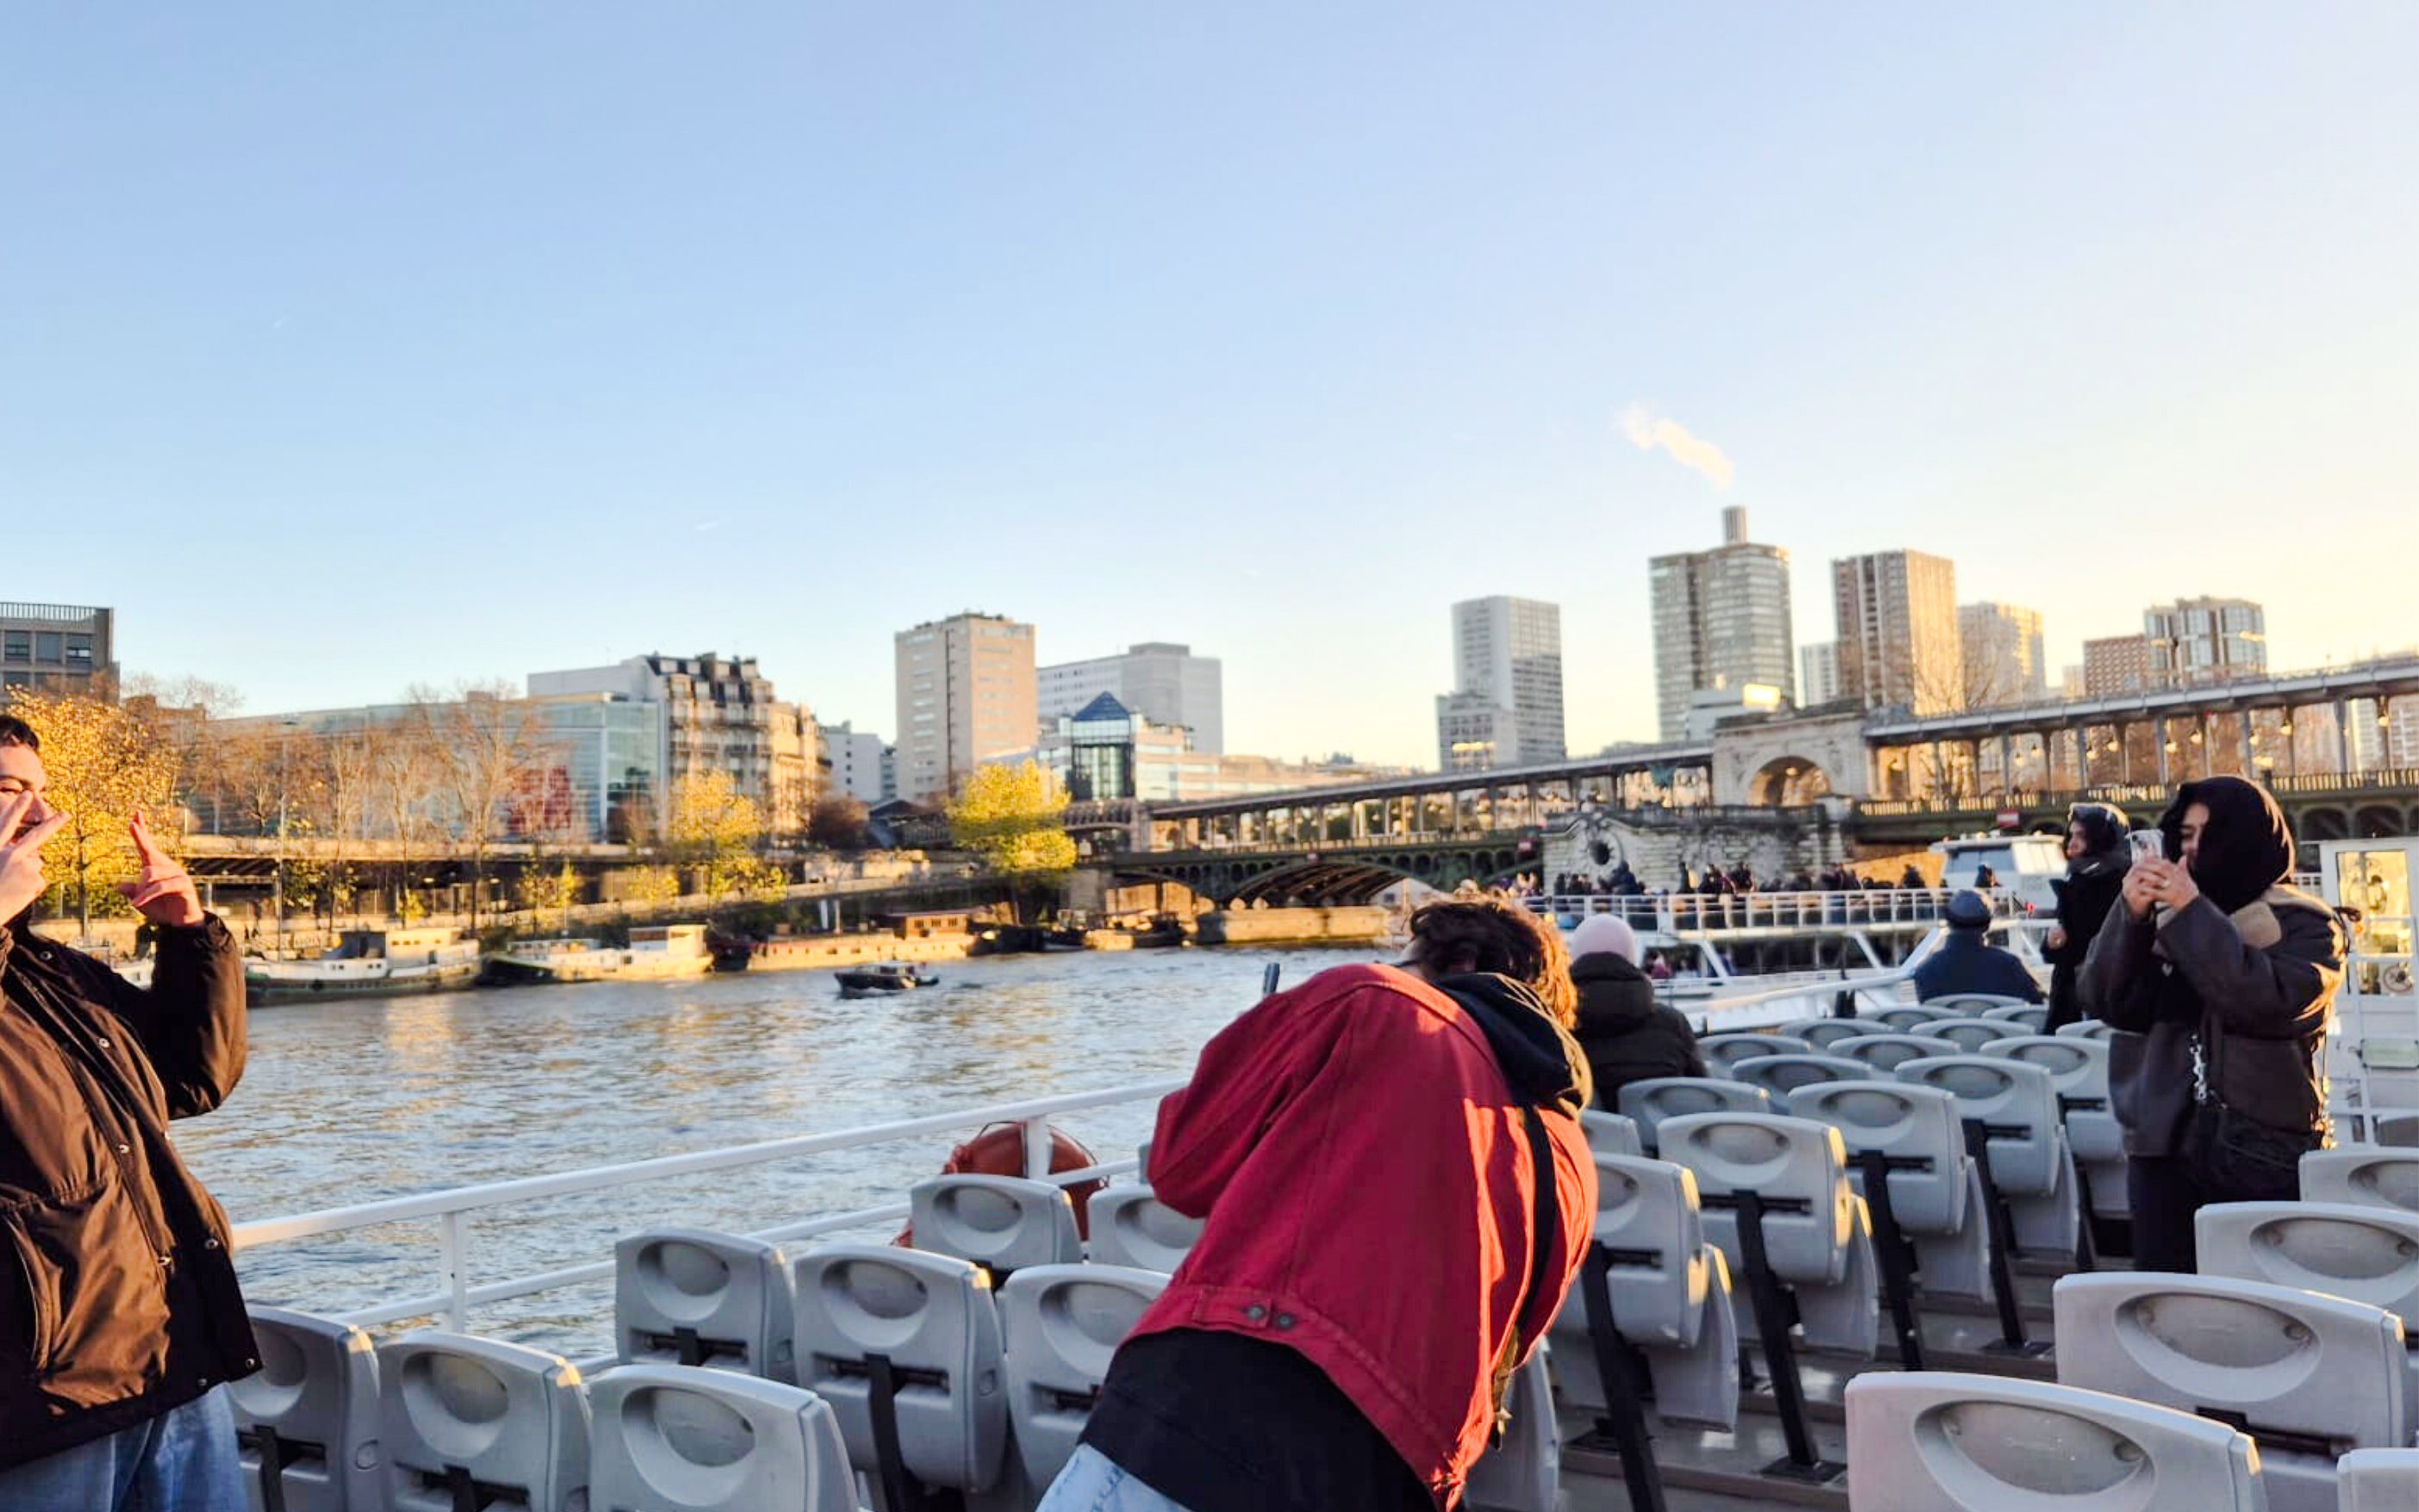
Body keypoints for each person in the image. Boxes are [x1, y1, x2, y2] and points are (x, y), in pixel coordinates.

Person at [1039, 897, 1595, 1512]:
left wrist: (1262, 1037)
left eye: (1408, 961)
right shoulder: (1570, 1155)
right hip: (1400, 1469)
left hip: (1221, 1409)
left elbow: (1181, 1168)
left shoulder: (1374, 1001)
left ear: (1456, 960)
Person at [0, 717, 257, 1510]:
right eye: (12, 793)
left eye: (41, 795)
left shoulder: (54, 973)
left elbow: (192, 1079)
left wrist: (189, 938)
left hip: (169, 1357)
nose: (42, 818)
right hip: (44, 1398)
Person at [2081, 776, 2341, 1272]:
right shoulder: (2160, 917)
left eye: (2209, 833)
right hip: (2162, 1138)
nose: (2194, 848)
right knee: (2169, 1296)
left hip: (2261, 1142)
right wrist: (2129, 916)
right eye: (2185, 834)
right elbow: (2105, 1000)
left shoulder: (2305, 923)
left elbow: (2269, 1002)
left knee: (2265, 1293)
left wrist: (2191, 912)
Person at [1566, 913, 1705, 1101]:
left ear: (1573, 960)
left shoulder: (1552, 1029)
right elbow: (1702, 1092)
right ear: (1632, 961)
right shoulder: (1673, 1024)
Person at [2042, 803, 2131, 1031]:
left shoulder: (2114, 883)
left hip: (2096, 994)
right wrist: (2053, 944)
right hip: (2084, 991)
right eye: (2071, 835)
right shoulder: (2080, 879)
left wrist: (2056, 946)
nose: (2072, 843)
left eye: (2082, 836)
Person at [1911, 889, 2044, 1003]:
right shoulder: (2010, 965)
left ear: (1948, 921)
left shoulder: (1925, 971)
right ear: (1987, 924)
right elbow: (2037, 1002)